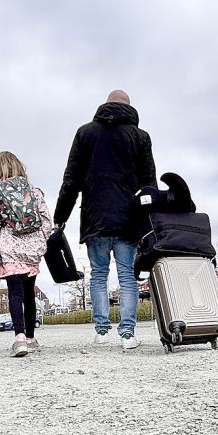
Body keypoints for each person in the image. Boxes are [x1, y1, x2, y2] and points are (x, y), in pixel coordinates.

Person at [53, 90, 157, 350]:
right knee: (127, 276)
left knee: (98, 275)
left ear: (106, 104)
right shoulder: (140, 137)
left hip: (95, 217)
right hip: (128, 219)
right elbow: (149, 183)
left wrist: (60, 216)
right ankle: (127, 334)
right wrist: (151, 218)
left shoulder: (85, 133)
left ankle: (101, 331)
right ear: (129, 107)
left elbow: (71, 179)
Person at [0, 151, 54, 357]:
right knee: (29, 294)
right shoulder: (34, 192)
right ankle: (31, 338)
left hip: (9, 249)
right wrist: (39, 240)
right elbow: (46, 220)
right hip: (31, 251)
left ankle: (19, 338)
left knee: (15, 293)